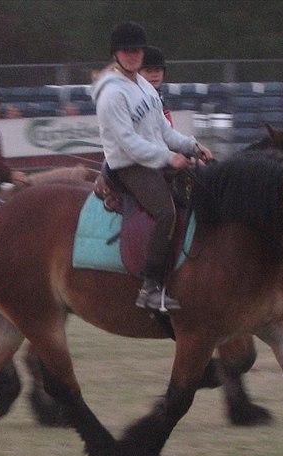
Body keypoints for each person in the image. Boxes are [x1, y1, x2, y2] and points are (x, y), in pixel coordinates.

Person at [91, 22, 213, 312]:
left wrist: (192, 147)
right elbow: (129, 143)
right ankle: (151, 287)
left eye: (138, 51)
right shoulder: (112, 94)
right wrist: (168, 158)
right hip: (130, 166)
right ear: (116, 54)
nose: (134, 56)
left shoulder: (143, 85)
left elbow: (164, 132)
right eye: (127, 51)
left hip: (151, 158)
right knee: (165, 212)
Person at [140, 45, 173, 126]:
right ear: (138, 73)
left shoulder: (160, 99)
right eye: (148, 71)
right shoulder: (134, 101)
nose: (154, 75)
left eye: (157, 70)